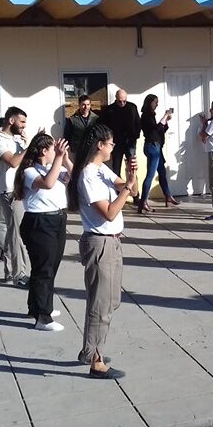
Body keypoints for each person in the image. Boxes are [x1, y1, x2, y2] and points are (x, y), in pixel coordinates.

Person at [67, 124, 138, 379]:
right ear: (99, 144)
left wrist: (131, 178)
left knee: (111, 300)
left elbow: (132, 190)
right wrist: (127, 189)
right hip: (99, 243)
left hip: (113, 241)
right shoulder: (88, 175)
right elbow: (109, 212)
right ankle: (96, 360)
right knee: (101, 305)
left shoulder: (101, 170)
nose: (113, 147)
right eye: (110, 143)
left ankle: (91, 349)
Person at [14, 133, 72, 331]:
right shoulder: (29, 171)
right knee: (43, 269)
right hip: (39, 222)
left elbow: (73, 177)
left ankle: (37, 306)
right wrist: (58, 158)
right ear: (43, 151)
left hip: (57, 219)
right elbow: (47, 183)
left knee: (51, 266)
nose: (55, 151)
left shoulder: (56, 166)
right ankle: (42, 318)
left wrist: (65, 158)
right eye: (52, 148)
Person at [0, 107, 29, 287]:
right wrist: (29, 148)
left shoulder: (13, 140)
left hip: (19, 190)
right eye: (22, 122)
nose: (24, 126)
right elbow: (13, 162)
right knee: (16, 233)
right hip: (8, 191)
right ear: (11, 121)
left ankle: (14, 270)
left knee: (17, 232)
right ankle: (17, 273)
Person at [138, 94, 179, 213]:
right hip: (152, 146)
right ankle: (143, 201)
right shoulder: (146, 116)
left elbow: (160, 129)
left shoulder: (151, 115)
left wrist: (165, 121)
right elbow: (154, 131)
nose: (157, 104)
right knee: (150, 175)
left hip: (156, 146)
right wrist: (164, 116)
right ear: (149, 102)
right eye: (155, 102)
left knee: (162, 172)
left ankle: (168, 196)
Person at [100, 89, 141, 187]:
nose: (122, 103)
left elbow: (138, 123)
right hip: (116, 144)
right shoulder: (109, 110)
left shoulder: (132, 107)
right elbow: (103, 126)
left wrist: (135, 135)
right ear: (116, 99)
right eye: (119, 101)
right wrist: (108, 140)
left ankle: (135, 195)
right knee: (116, 169)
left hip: (130, 142)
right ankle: (118, 195)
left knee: (132, 168)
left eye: (124, 101)